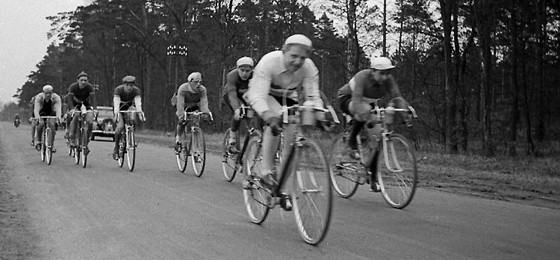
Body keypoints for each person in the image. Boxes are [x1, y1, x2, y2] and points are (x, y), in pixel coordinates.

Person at [245, 34, 324, 186]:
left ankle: (280, 186)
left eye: (302, 58)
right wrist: (268, 116)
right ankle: (265, 171)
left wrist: (320, 113)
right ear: (283, 51)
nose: (298, 62)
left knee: (292, 140)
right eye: (293, 56)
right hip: (266, 94)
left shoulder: (309, 67)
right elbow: (257, 95)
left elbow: (313, 95)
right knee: (276, 120)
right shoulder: (269, 61)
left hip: (289, 95)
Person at [336, 56, 410, 161]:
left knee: (377, 136)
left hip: (368, 101)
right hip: (348, 98)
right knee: (365, 110)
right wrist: (369, 118)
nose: (384, 77)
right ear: (373, 71)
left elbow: (397, 97)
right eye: (381, 73)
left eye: (387, 73)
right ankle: (351, 142)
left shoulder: (388, 80)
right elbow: (357, 102)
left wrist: (405, 112)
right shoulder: (362, 77)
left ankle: (373, 175)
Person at [222, 56, 254, 153]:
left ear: (251, 70)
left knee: (252, 112)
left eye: (247, 71)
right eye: (242, 70)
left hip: (245, 95)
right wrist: (236, 108)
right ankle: (232, 140)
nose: (244, 73)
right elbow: (232, 93)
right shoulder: (232, 75)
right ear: (237, 69)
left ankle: (252, 134)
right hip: (230, 94)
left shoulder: (255, 76)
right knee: (239, 112)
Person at [174, 72, 211, 151]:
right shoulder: (183, 88)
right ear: (190, 82)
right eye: (195, 82)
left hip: (194, 105)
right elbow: (180, 103)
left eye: (200, 82)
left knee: (195, 123)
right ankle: (179, 138)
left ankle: (196, 148)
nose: (198, 84)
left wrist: (206, 113)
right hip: (182, 104)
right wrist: (181, 115)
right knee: (182, 121)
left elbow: (204, 102)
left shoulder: (202, 90)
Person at [112, 75, 143, 160]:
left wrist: (140, 113)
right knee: (120, 127)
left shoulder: (136, 91)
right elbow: (116, 103)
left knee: (133, 117)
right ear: (124, 85)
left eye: (131, 85)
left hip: (129, 107)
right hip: (120, 108)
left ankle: (131, 136)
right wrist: (116, 114)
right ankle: (116, 148)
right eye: (127, 85)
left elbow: (138, 103)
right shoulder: (118, 90)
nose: (129, 87)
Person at [66, 71, 97, 147]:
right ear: (77, 80)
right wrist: (71, 108)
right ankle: (72, 137)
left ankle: (87, 138)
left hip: (86, 105)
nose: (83, 82)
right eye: (81, 80)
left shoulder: (89, 87)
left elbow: (93, 99)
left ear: (88, 81)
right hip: (74, 105)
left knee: (90, 122)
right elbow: (69, 99)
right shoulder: (73, 87)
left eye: (85, 80)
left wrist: (95, 109)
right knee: (76, 116)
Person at [33, 85, 63, 152]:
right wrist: (37, 117)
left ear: (52, 93)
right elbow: (36, 109)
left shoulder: (56, 97)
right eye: (46, 93)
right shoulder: (39, 97)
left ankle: (51, 145)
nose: (48, 95)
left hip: (51, 111)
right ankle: (38, 141)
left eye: (50, 93)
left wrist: (58, 117)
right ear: (43, 93)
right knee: (41, 124)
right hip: (42, 111)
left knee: (52, 125)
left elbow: (58, 109)